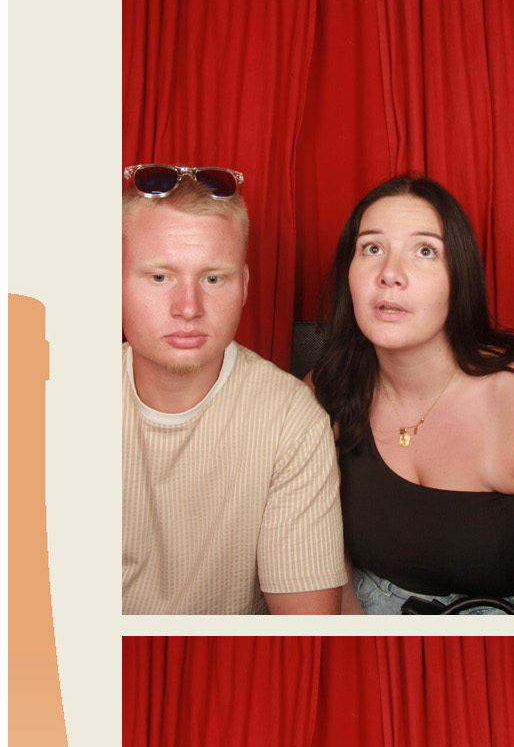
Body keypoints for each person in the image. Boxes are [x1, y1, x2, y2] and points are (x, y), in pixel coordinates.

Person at [311, 174, 514, 615]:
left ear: (459, 277)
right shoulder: (324, 391)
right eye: (372, 248)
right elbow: (331, 582)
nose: (390, 274)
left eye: (425, 251)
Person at [122, 165, 346, 615]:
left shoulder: (292, 421)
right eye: (160, 277)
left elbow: (308, 632)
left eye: (213, 278)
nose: (188, 308)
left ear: (243, 286)